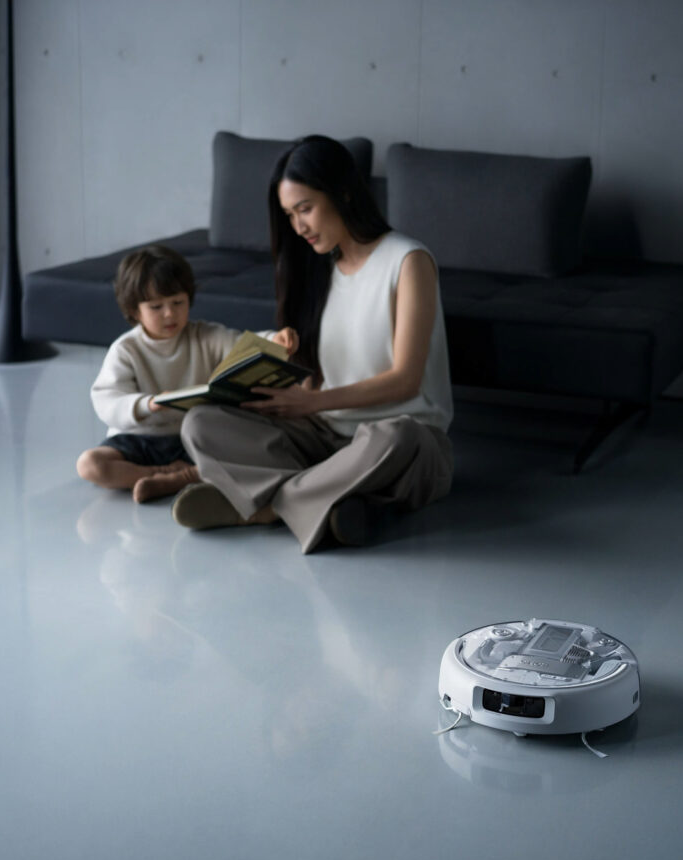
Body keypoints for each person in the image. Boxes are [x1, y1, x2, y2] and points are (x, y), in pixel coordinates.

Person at [170, 135, 454, 552]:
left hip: (404, 445)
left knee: (396, 437)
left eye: (305, 208)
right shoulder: (316, 271)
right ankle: (332, 500)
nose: (298, 226)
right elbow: (314, 384)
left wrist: (312, 403)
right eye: (290, 214)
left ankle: (266, 505)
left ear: (342, 193)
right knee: (199, 424)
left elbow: (406, 381)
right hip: (324, 440)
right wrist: (276, 390)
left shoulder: (408, 261)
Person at [76, 244, 298, 503]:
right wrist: (148, 404)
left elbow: (242, 346)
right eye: (156, 307)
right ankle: (164, 475)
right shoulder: (126, 349)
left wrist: (275, 340)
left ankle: (179, 477)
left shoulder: (204, 336)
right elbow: (107, 399)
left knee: (252, 447)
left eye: (178, 302)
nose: (170, 313)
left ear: (189, 298)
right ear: (135, 311)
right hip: (138, 440)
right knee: (90, 465)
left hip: (192, 439)